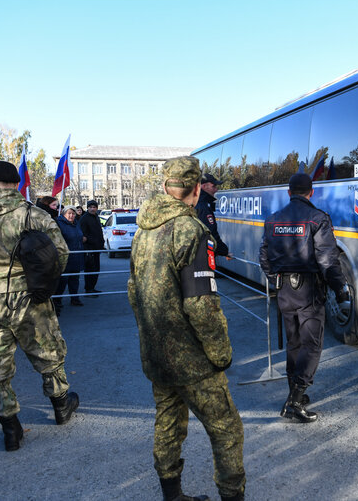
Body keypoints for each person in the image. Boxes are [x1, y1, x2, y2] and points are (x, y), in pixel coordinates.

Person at [128, 156, 245, 501]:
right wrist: (221, 353)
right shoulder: (192, 231)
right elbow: (201, 305)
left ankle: (172, 495)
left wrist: (150, 336)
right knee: (226, 429)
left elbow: (134, 292)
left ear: (165, 186)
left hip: (156, 352)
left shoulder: (142, 229)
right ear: (195, 190)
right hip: (191, 359)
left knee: (167, 422)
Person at [0, 160, 80, 452]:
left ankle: (10, 427)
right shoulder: (34, 215)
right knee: (47, 350)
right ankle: (60, 406)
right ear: (17, 185)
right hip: (30, 296)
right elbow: (61, 253)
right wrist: (41, 281)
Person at [259, 172, 351, 423]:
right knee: (311, 345)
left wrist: (275, 280)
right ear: (311, 193)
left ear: (289, 192)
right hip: (309, 290)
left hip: (285, 290)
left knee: (294, 343)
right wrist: (341, 289)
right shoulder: (317, 219)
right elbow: (327, 260)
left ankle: (293, 394)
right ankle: (295, 401)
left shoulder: (273, 220)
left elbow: (264, 257)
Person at [54, 205, 85, 315]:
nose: (71, 216)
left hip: (76, 255)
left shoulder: (76, 224)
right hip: (65, 256)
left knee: (75, 279)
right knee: (63, 280)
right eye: (69, 213)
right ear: (64, 214)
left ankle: (74, 298)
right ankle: (57, 300)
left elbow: (79, 235)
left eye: (73, 214)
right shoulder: (59, 224)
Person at [195, 173, 232, 260]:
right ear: (204, 186)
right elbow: (210, 234)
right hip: (203, 257)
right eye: (213, 186)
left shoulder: (197, 203)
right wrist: (224, 251)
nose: (216, 190)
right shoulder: (203, 207)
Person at [79, 200, 105, 296]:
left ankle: (92, 288)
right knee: (90, 270)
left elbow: (98, 231)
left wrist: (101, 242)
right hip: (89, 249)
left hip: (97, 248)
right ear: (88, 208)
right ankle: (89, 289)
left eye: (94, 207)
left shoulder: (96, 217)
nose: (92, 209)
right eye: (91, 207)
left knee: (96, 269)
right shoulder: (84, 218)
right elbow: (83, 235)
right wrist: (91, 241)